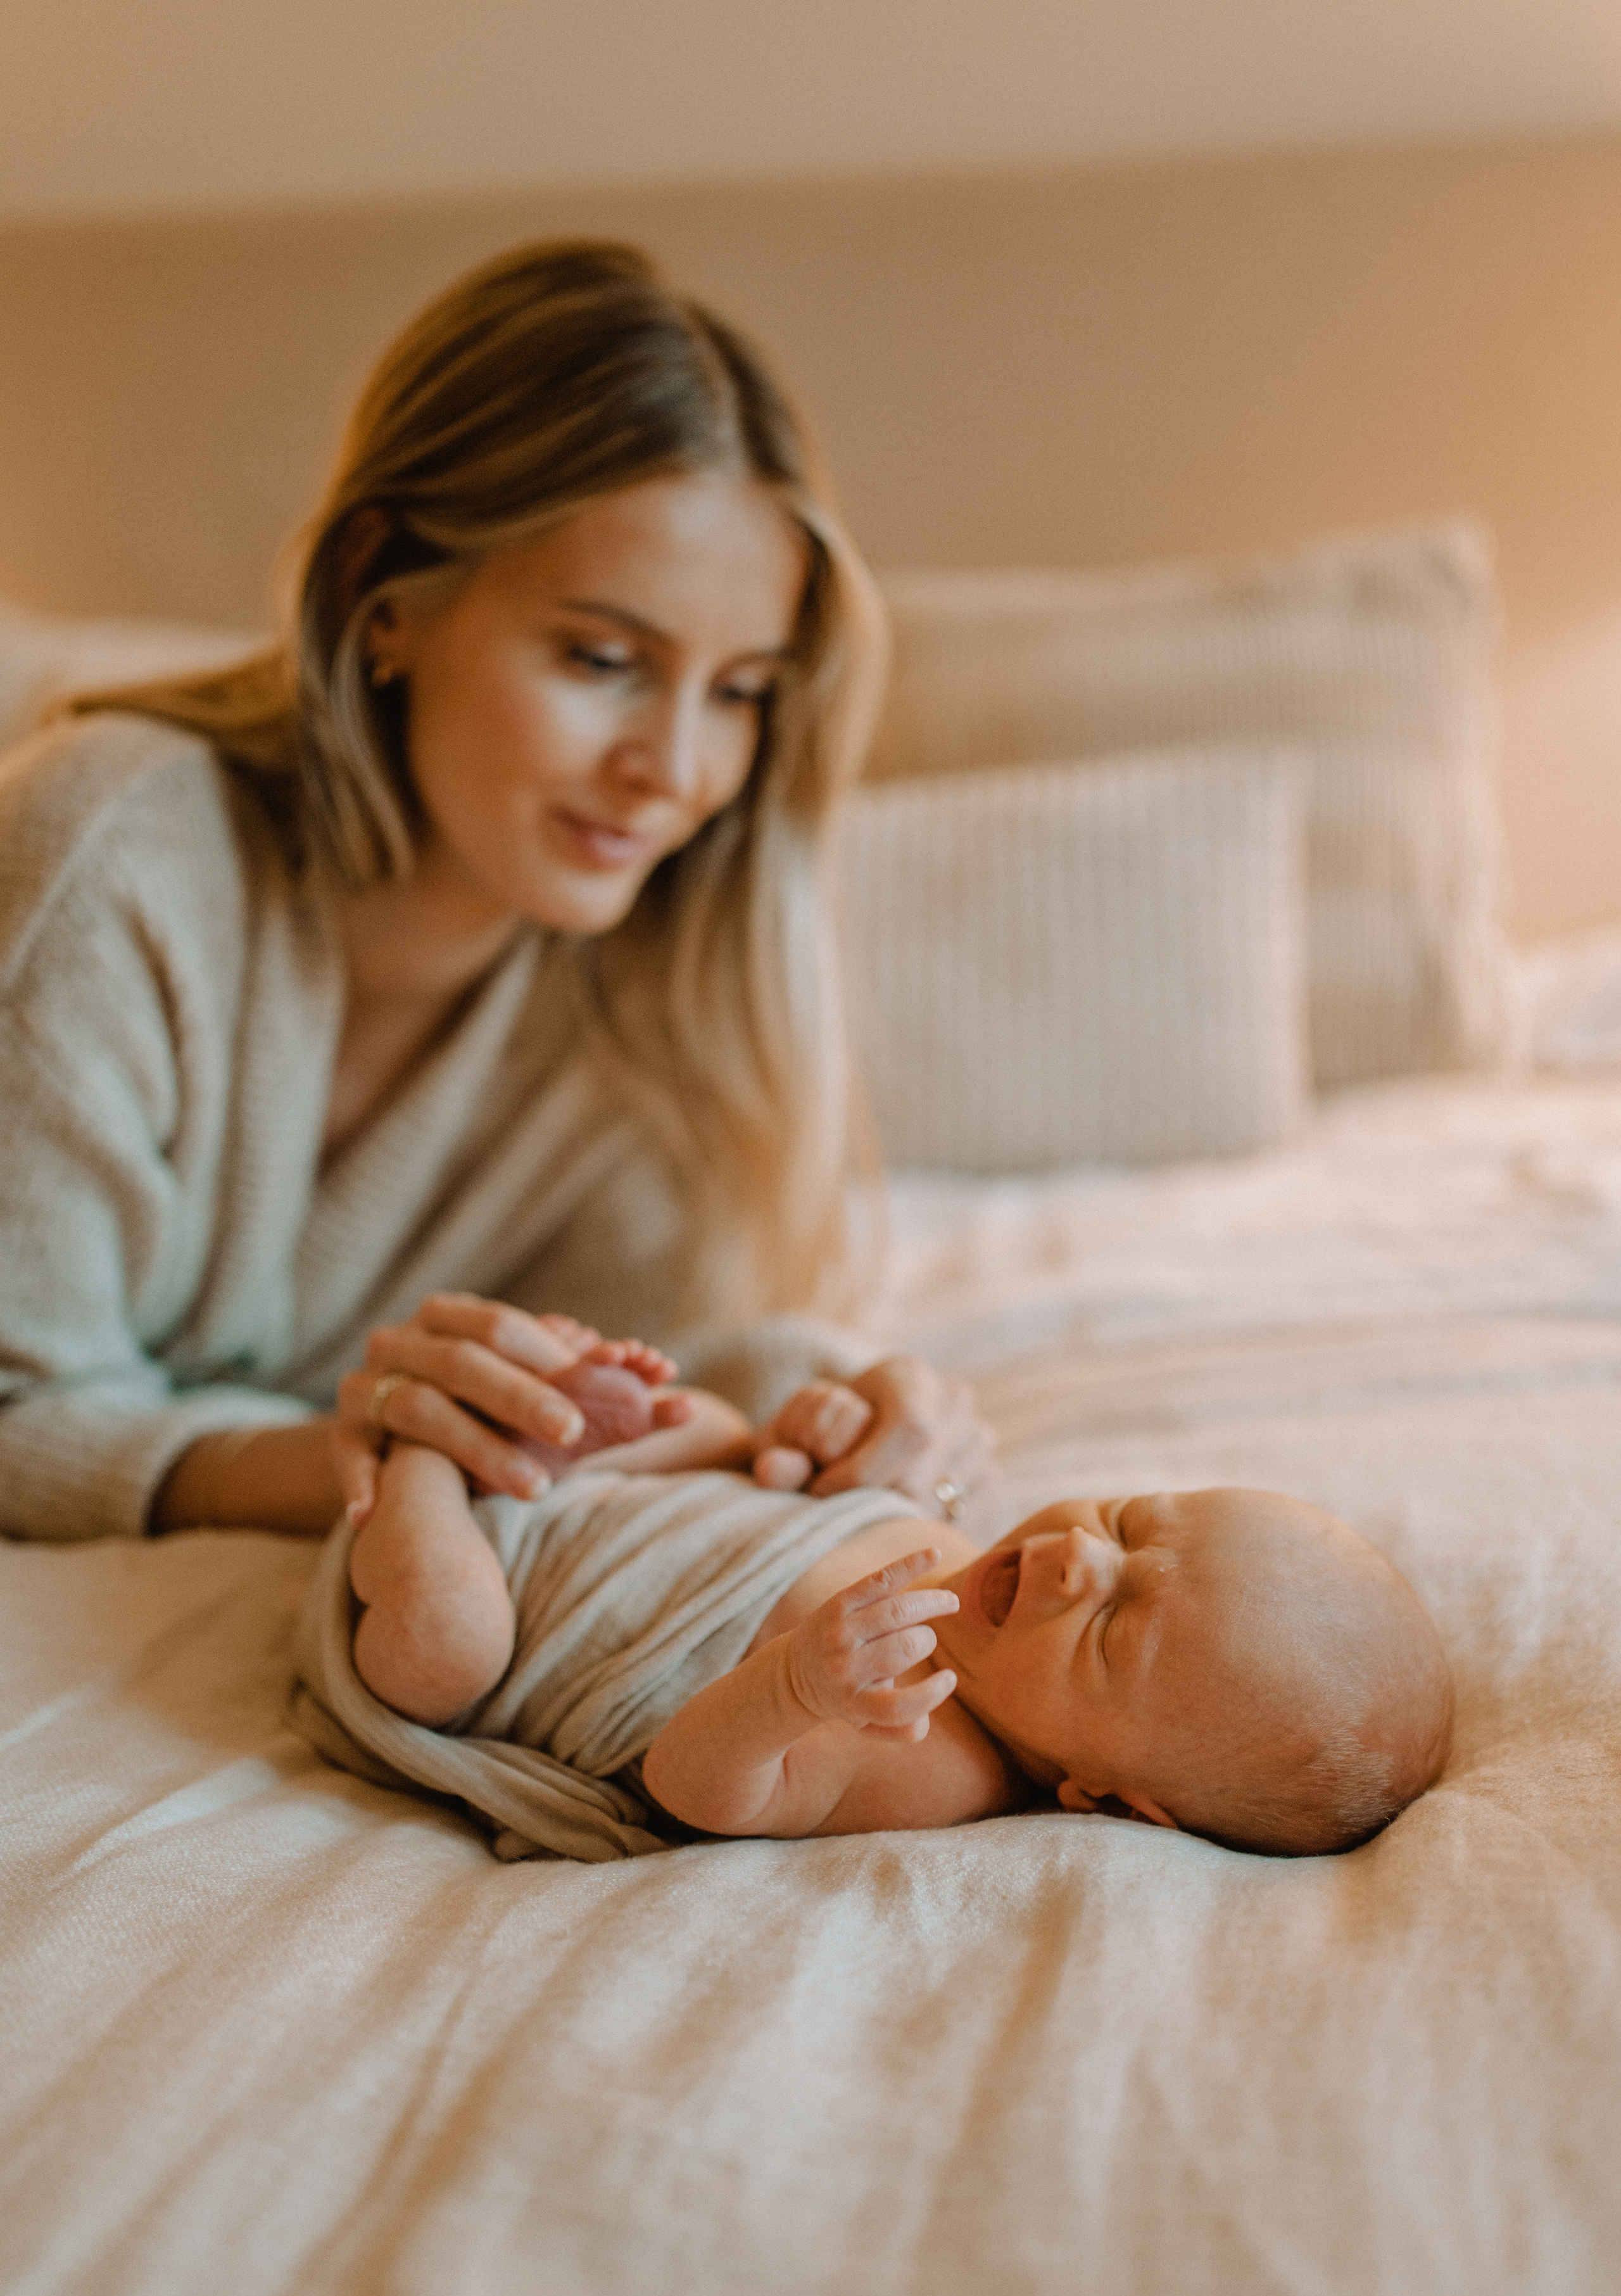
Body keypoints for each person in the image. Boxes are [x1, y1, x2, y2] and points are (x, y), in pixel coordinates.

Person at [0, 239, 990, 1543]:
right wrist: (350, 1458)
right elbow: (24, 1403)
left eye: (740, 691)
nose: (677, 772)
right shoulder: (113, 845)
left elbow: (637, 1381)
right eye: (600, 658)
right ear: (381, 594)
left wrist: (827, 1398)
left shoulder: (655, 988)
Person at [293, 1355, 1454, 1864]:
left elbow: (699, 1793)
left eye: (1109, 1633)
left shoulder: (932, 1760)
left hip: (511, 1601)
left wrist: (790, 1689)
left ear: (1106, 1796)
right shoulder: (969, 1548)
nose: (1070, 1562)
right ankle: (528, 1433)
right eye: (1129, 1520)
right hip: (613, 1504)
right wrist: (808, 1441)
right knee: (695, 1414)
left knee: (437, 1650)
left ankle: (420, 1469)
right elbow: (789, 1489)